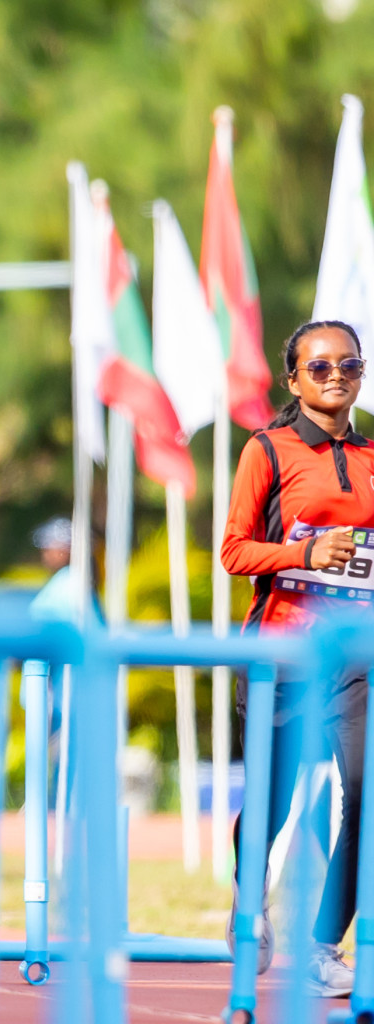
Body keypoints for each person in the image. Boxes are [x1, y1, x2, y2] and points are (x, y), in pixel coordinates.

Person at [220, 319, 373, 996]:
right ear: (294, 380)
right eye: (320, 367)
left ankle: (320, 945)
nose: (336, 375)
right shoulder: (268, 449)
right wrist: (303, 554)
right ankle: (248, 903)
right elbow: (233, 551)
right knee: (273, 803)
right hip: (282, 651)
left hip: (357, 657)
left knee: (365, 793)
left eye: (349, 364)